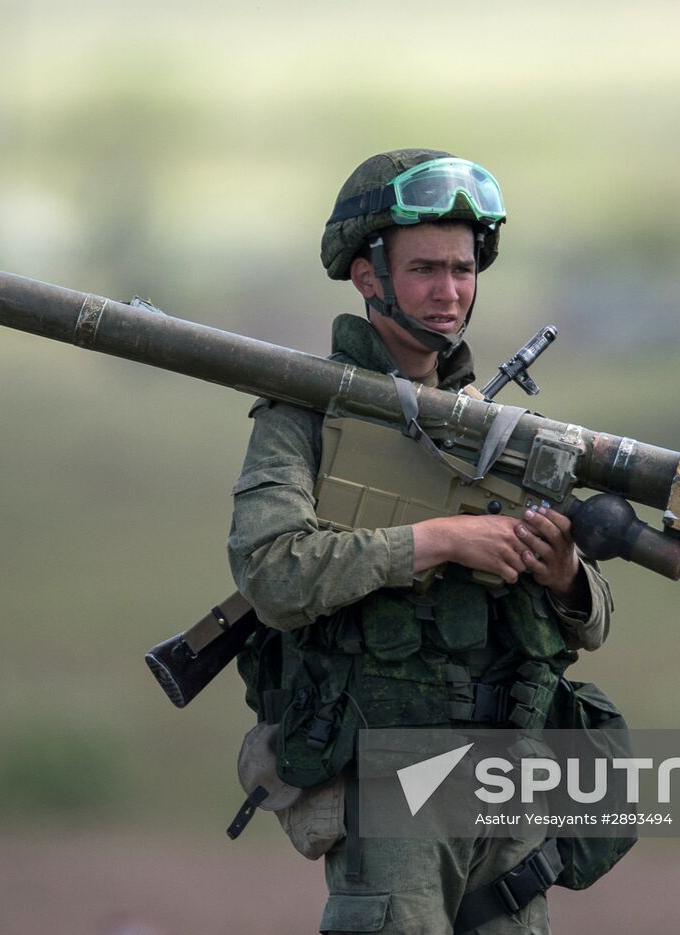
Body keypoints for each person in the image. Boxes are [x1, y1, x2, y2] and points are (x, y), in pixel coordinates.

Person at [227, 149, 614, 935]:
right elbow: (272, 569)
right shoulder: (304, 413)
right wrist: (438, 540)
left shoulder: (495, 428)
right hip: (396, 775)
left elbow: (597, 619)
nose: (448, 292)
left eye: (464, 269)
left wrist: (565, 572)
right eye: (424, 269)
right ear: (369, 277)